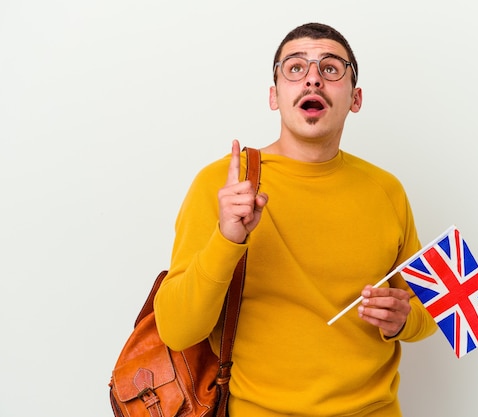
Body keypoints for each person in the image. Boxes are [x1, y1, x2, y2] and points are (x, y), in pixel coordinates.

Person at [154, 22, 437, 417]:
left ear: (355, 98)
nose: (313, 80)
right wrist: (226, 238)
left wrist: (402, 320)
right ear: (275, 95)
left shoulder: (387, 190)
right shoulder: (223, 187)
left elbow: (437, 309)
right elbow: (177, 330)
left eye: (331, 69)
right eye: (295, 68)